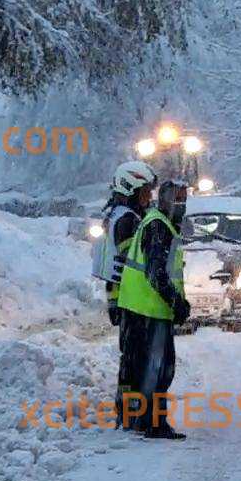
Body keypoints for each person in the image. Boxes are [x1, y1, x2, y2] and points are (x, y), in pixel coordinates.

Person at [115, 180, 190, 439]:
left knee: (137, 366)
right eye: (177, 199)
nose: (181, 205)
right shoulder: (158, 226)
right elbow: (156, 272)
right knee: (157, 368)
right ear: (166, 200)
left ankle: (132, 418)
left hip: (140, 307)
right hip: (149, 310)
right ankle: (152, 423)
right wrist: (176, 302)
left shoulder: (155, 221)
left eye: (184, 199)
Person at [97, 162, 157, 426]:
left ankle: (129, 411)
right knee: (135, 358)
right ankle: (132, 412)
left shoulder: (117, 215)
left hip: (123, 298)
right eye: (144, 192)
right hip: (131, 300)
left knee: (131, 357)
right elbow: (134, 260)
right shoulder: (127, 220)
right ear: (129, 190)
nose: (149, 197)